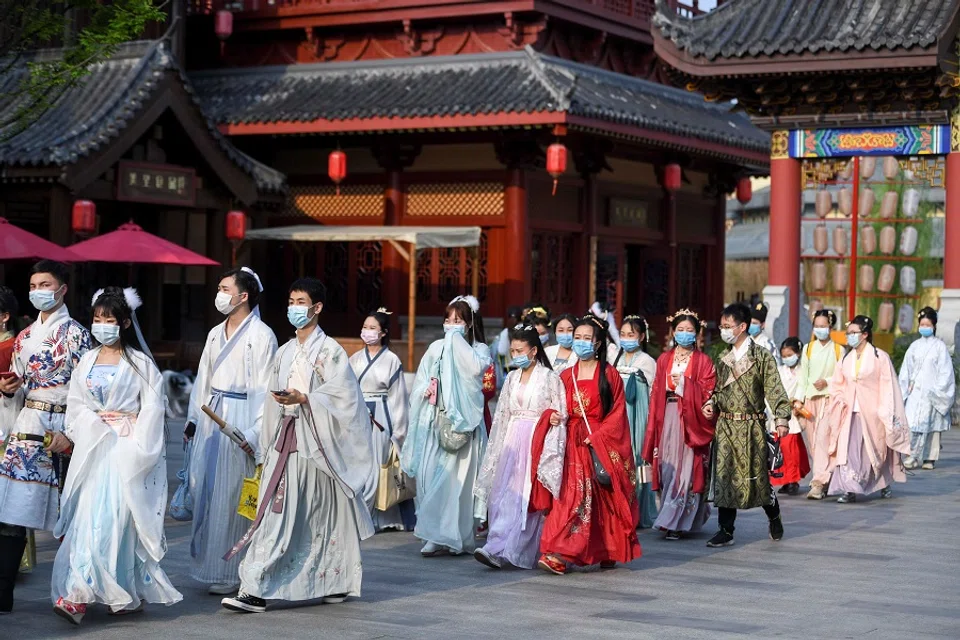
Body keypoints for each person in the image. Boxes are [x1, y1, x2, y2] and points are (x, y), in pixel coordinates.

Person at [222, 278, 377, 613]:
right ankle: (256, 584)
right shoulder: (285, 351)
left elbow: (347, 398)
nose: (294, 307)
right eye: (291, 300)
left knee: (323, 514)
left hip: (318, 444)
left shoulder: (332, 352)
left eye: (301, 301)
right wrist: (268, 433)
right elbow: (270, 398)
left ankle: (330, 581)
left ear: (316, 307)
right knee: (280, 513)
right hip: (287, 439)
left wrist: (306, 398)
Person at [51, 288, 181, 625]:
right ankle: (78, 594)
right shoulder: (86, 362)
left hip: (125, 449)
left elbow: (153, 409)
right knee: (88, 521)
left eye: (109, 320)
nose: (102, 325)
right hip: (95, 448)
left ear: (124, 323)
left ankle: (120, 589)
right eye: (97, 319)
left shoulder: (140, 365)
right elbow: (76, 404)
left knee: (117, 522)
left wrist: (138, 446)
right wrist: (89, 425)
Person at [0, 260, 91, 614]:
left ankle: (76, 591)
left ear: (63, 288)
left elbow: (88, 390)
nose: (39, 290)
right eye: (34, 284)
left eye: (46, 283)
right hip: (27, 425)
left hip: (65, 427)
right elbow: (17, 384)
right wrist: (7, 389)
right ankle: (3, 590)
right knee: (11, 510)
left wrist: (73, 436)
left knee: (73, 512)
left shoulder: (76, 334)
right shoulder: (23, 337)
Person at [186, 267, 278, 595]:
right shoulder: (215, 333)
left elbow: (265, 388)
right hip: (213, 411)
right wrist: (194, 419)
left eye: (226, 288)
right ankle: (212, 565)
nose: (220, 294)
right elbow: (202, 378)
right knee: (208, 490)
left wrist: (254, 433)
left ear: (244, 296)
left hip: (241, 415)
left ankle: (233, 570)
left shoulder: (262, 335)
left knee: (234, 492)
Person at [537, 314, 640, 575]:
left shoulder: (609, 374)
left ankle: (603, 548)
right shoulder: (564, 374)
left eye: (587, 338)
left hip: (596, 443)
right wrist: (552, 416)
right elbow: (553, 405)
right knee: (571, 496)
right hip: (570, 442)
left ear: (597, 344)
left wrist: (598, 436)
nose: (581, 342)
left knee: (597, 498)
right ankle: (561, 552)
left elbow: (617, 414)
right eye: (577, 338)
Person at [402, 295, 492, 557]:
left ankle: (457, 537)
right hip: (436, 421)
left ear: (469, 324)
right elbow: (419, 381)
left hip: (465, 426)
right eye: (448, 320)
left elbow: (474, 371)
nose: (451, 325)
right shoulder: (434, 349)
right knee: (431, 477)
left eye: (458, 320)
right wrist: (426, 389)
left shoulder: (480, 350)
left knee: (459, 484)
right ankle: (432, 534)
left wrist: (455, 341)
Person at [473, 325, 565, 569]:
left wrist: (552, 418)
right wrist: (498, 447)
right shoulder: (512, 377)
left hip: (535, 439)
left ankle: (514, 548)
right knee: (504, 493)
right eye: (512, 351)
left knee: (526, 496)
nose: (516, 355)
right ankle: (495, 546)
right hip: (513, 440)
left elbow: (560, 411)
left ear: (533, 350)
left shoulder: (549, 378)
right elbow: (503, 413)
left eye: (520, 350)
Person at [707, 303, 791, 547]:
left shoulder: (762, 356)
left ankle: (774, 515)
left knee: (757, 479)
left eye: (727, 326)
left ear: (742, 327)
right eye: (722, 326)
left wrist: (782, 417)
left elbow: (775, 389)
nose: (723, 330)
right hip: (725, 426)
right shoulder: (722, 358)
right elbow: (716, 390)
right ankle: (725, 529)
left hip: (751, 427)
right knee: (724, 477)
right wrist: (711, 403)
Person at [643, 310, 715, 541]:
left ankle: (675, 521)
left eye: (689, 331)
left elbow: (707, 390)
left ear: (697, 334)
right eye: (680, 330)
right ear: (673, 332)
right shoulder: (664, 359)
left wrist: (684, 383)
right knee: (668, 467)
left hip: (691, 420)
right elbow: (656, 393)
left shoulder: (703, 361)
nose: (684, 334)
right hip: (668, 415)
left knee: (686, 469)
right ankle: (669, 516)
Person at [826, 315, 910, 503]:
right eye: (848, 333)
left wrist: (886, 410)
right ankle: (849, 488)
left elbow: (889, 386)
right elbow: (837, 384)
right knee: (849, 452)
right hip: (850, 414)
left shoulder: (880, 357)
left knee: (874, 451)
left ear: (864, 334)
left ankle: (883, 482)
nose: (849, 337)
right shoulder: (846, 358)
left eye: (853, 333)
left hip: (873, 413)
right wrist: (839, 400)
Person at [348, 308, 411, 531]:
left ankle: (375, 516)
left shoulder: (392, 360)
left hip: (382, 417)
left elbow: (399, 397)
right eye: (365, 327)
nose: (367, 332)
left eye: (372, 328)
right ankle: (359, 514)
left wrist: (398, 432)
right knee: (358, 464)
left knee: (378, 466)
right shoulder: (355, 359)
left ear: (383, 332)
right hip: (358, 415)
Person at [607, 315, 658, 528]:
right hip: (619, 416)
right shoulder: (616, 359)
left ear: (641, 336)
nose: (627, 338)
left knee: (637, 459)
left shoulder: (647, 361)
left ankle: (638, 510)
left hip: (638, 416)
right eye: (624, 334)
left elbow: (653, 391)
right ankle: (619, 510)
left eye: (632, 335)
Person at [792, 309, 843, 500]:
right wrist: (798, 399)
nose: (820, 329)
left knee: (823, 439)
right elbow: (802, 377)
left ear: (830, 327)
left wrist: (827, 382)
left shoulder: (838, 350)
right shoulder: (808, 349)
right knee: (813, 443)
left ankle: (818, 483)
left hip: (829, 400)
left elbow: (841, 377)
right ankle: (826, 476)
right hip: (810, 402)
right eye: (817, 326)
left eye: (823, 326)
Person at [899, 308, 955, 470]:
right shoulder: (913, 346)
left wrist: (938, 391)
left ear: (934, 326)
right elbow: (906, 370)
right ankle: (911, 456)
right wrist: (905, 389)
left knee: (933, 427)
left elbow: (946, 372)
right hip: (915, 392)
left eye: (927, 324)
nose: (924, 327)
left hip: (932, 393)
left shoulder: (940, 347)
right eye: (922, 324)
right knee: (912, 424)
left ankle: (930, 457)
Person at [771, 338, 810, 497]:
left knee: (792, 450)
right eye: (784, 355)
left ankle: (793, 480)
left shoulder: (803, 371)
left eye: (790, 354)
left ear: (798, 353)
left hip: (794, 413)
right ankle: (785, 479)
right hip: (778, 413)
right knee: (779, 450)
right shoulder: (779, 371)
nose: (787, 358)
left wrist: (798, 403)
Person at [749, 302, 781, 366]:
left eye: (754, 323)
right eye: (749, 322)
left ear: (763, 325)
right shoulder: (743, 341)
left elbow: (775, 366)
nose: (751, 325)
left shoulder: (768, 345)